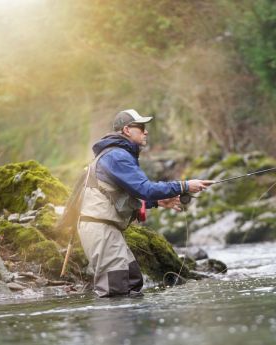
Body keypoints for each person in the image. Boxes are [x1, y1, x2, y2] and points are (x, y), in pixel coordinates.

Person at [78, 109, 214, 297]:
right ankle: (112, 326)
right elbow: (145, 189)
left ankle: (128, 325)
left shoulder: (117, 155)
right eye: (141, 127)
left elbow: (122, 197)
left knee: (133, 280)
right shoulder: (116, 156)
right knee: (114, 289)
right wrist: (184, 185)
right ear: (126, 129)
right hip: (100, 228)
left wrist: (158, 202)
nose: (146, 131)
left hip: (106, 228)